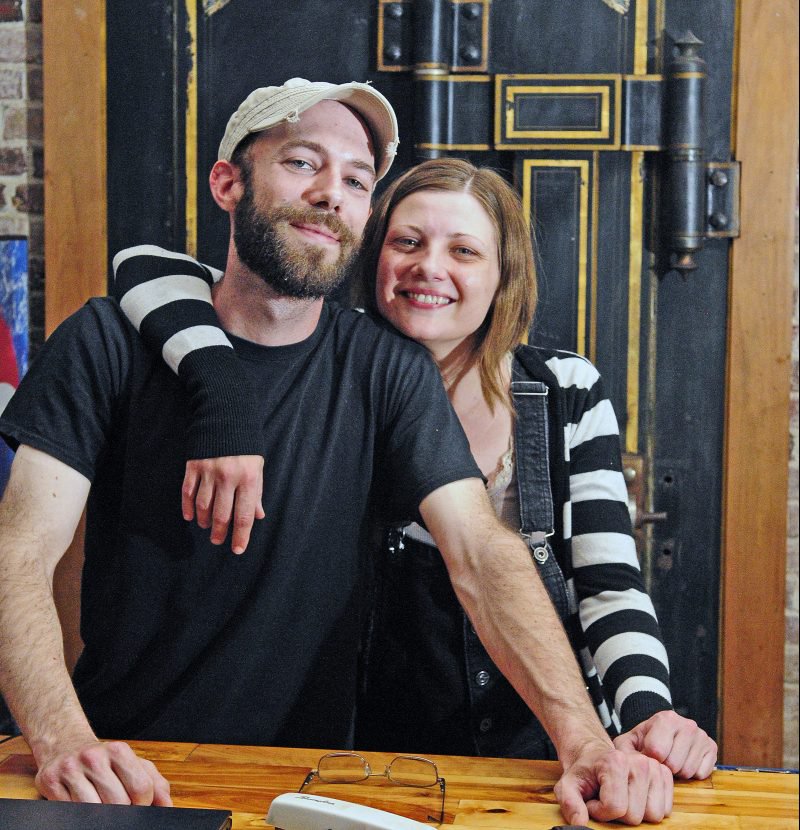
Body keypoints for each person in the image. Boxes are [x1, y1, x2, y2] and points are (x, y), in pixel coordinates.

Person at [0, 78, 674, 826]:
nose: (331, 193)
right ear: (228, 182)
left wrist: (583, 740)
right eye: (301, 162)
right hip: (125, 772)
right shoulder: (106, 342)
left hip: (312, 786)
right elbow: (19, 548)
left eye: (357, 179)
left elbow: (481, 550)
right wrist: (63, 737)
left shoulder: (385, 368)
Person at [113, 159, 717, 783]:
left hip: (543, 756)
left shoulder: (564, 390)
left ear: (503, 274)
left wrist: (646, 712)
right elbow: (145, 267)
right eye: (407, 242)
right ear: (370, 256)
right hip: (378, 762)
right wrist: (222, 390)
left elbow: (608, 586)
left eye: (464, 250)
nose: (430, 266)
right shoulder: (333, 379)